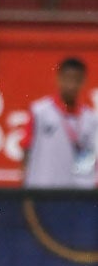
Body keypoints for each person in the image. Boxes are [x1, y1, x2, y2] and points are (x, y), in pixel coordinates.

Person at [21, 57, 97, 189]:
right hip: (43, 192)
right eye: (68, 79)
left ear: (83, 81)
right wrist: (27, 197)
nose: (71, 85)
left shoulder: (91, 119)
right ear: (59, 78)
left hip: (77, 196)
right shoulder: (40, 112)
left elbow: (89, 158)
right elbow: (26, 151)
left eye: (76, 80)